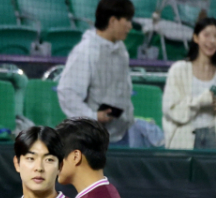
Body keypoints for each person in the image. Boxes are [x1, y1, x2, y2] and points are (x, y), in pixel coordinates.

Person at [59, 0, 155, 148]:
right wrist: (93, 117)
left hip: (121, 135)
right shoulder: (86, 51)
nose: (130, 26)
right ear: (113, 21)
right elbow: (67, 92)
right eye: (127, 20)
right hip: (91, 140)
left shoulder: (121, 50)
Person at [162, 16, 216, 150]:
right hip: (184, 140)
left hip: (215, 138)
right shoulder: (178, 69)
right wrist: (199, 102)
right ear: (196, 38)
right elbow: (171, 109)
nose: (212, 41)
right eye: (206, 35)